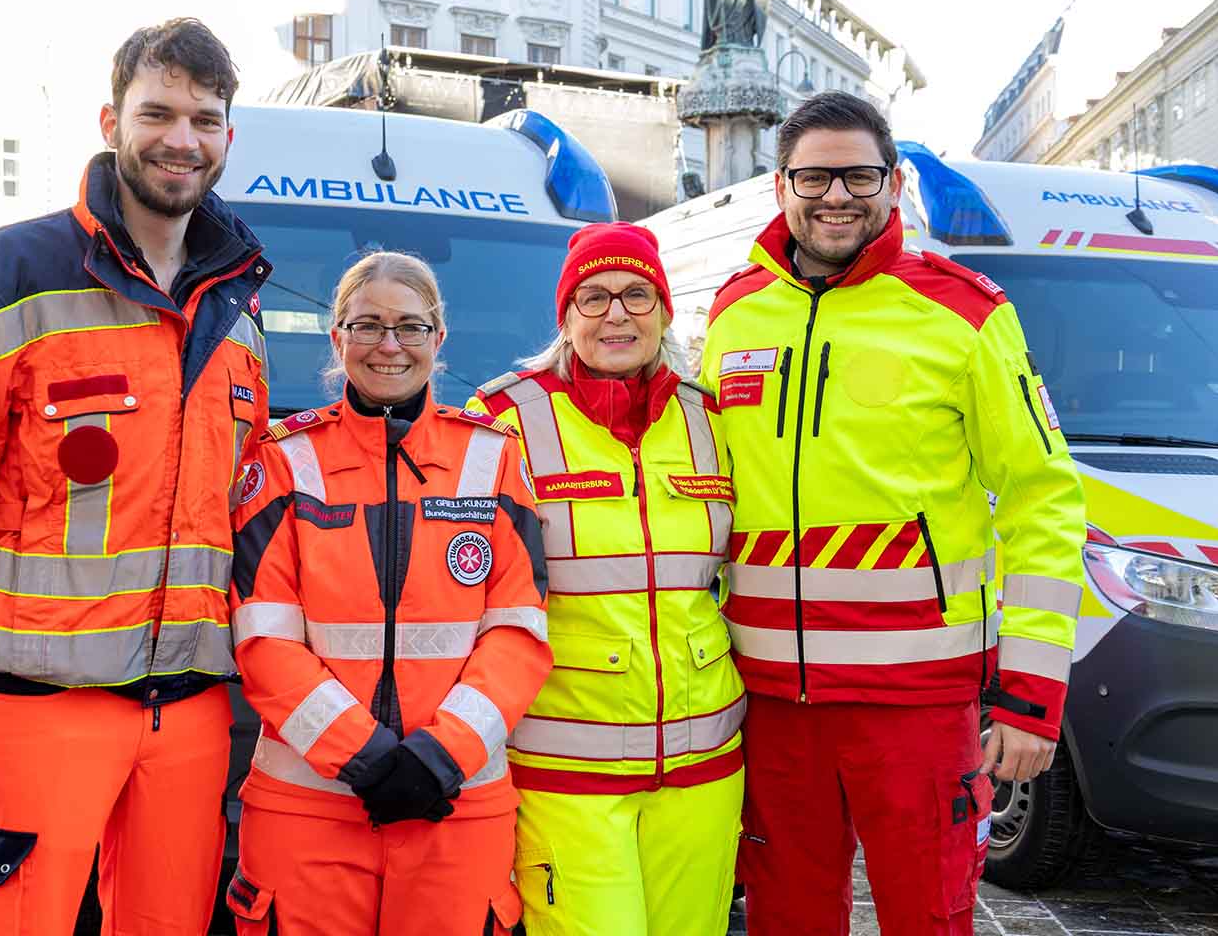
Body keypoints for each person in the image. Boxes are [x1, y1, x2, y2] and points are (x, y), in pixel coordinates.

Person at [0, 18, 271, 934]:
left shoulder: (236, 309)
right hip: (42, 710)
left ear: (226, 139)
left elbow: (245, 517)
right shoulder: (9, 275)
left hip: (195, 716)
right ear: (110, 120)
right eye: (157, 112)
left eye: (204, 119)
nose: (181, 139)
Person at [700, 91, 1087, 936]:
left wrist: (1031, 694)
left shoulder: (967, 313)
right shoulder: (733, 314)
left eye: (858, 175)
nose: (836, 195)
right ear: (781, 186)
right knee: (785, 916)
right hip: (767, 699)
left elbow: (1043, 497)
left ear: (894, 182)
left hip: (915, 700)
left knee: (928, 915)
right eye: (814, 176)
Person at [225, 252, 550, 936]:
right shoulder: (284, 460)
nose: (390, 345)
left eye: (410, 326)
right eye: (368, 325)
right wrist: (367, 759)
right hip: (309, 809)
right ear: (337, 338)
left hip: (454, 803)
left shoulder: (492, 458)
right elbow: (262, 638)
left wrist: (439, 757)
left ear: (440, 338)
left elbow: (517, 635)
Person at [470, 222, 746, 936]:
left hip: (704, 769)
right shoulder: (501, 421)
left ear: (663, 310)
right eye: (593, 298)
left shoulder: (713, 418)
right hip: (566, 773)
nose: (616, 313)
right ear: (565, 317)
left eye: (635, 294)